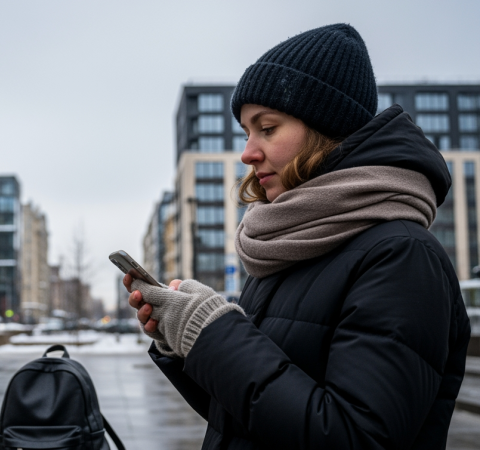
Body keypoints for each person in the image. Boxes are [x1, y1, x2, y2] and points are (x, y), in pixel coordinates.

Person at [127, 23, 471, 448]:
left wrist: (212, 334)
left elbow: (355, 437)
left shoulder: (401, 257)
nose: (247, 152)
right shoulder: (290, 244)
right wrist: (184, 343)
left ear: (324, 129)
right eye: (246, 132)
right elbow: (251, 418)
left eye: (267, 128)